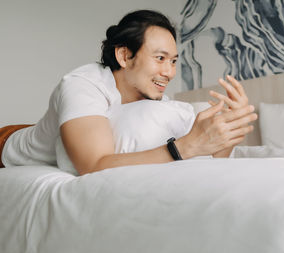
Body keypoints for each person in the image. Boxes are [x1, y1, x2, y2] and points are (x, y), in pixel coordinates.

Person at [0, 10, 257, 175]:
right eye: (160, 58)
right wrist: (184, 147)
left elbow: (211, 160)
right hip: (7, 143)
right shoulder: (82, 85)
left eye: (174, 61)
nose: (169, 72)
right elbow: (93, 166)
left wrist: (230, 133)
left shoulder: (153, 98)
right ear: (124, 55)